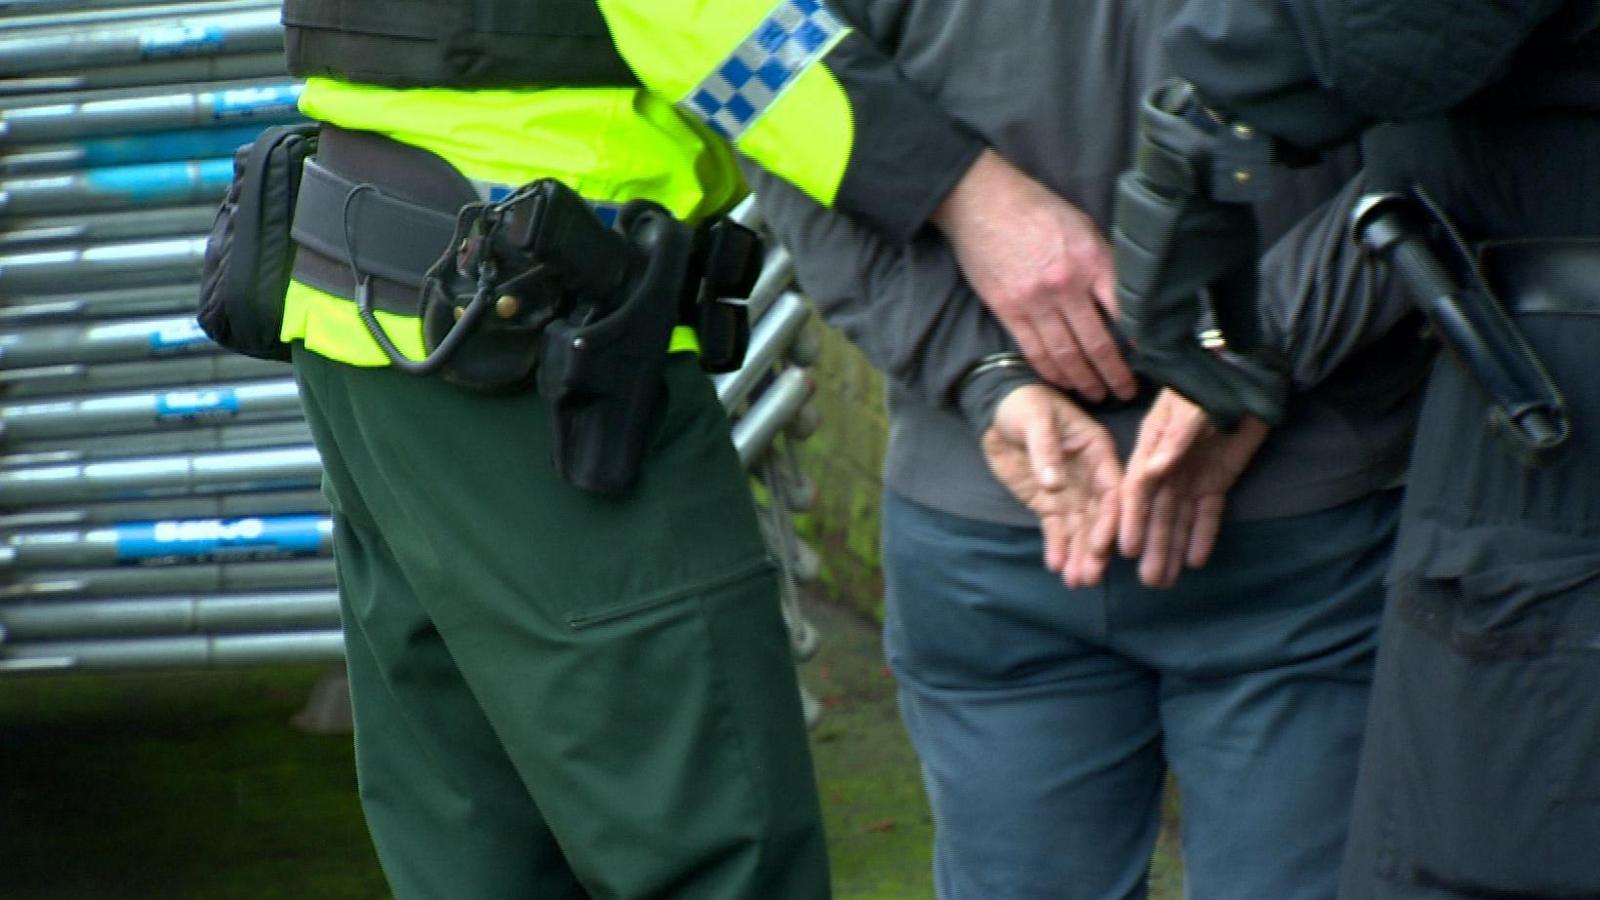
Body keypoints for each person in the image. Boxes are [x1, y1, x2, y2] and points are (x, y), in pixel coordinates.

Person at [265, 0, 1147, 896]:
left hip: (375, 311)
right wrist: (970, 192)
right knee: (717, 852)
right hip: (533, 353)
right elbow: (729, 23)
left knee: (482, 841)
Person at [740, 0, 1432, 896]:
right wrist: (1259, 350)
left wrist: (972, 364)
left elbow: (768, 96)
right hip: (1245, 526)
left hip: (1274, 550)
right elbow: (1469, 137)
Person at [1111, 2, 1600, 896]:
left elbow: (1389, 27)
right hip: (1522, 370)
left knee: (1499, 840)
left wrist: (1206, 122)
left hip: (1555, 409)